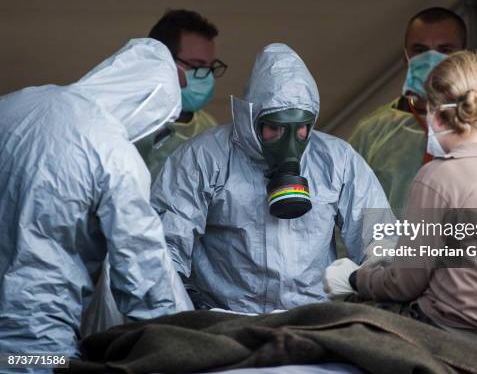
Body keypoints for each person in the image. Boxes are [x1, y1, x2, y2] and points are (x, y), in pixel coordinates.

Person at [325, 51, 477, 346]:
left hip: (455, 332)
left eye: (427, 110)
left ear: (439, 114)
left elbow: (403, 285)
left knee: (331, 324)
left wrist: (354, 279)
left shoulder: (438, 176)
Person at [151, 43, 392, 313]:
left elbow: (381, 237)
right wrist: (183, 312)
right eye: (274, 128)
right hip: (225, 321)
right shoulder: (205, 157)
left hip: (312, 321)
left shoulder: (337, 160)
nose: (289, 143)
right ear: (251, 119)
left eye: (300, 128)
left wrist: (372, 280)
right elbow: (165, 246)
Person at [0, 39, 189, 357]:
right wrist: (186, 339)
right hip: (33, 338)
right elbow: (143, 272)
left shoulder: (14, 104)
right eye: (160, 126)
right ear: (149, 106)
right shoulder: (113, 153)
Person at [349, 7, 477, 214]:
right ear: (406, 56)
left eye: (445, 50)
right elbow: (347, 217)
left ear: (463, 56)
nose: (431, 61)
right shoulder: (372, 133)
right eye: (420, 50)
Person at [136, 9, 227, 182]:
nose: (206, 76)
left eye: (210, 67)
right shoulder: (132, 124)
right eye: (196, 66)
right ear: (162, 60)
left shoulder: (208, 127)